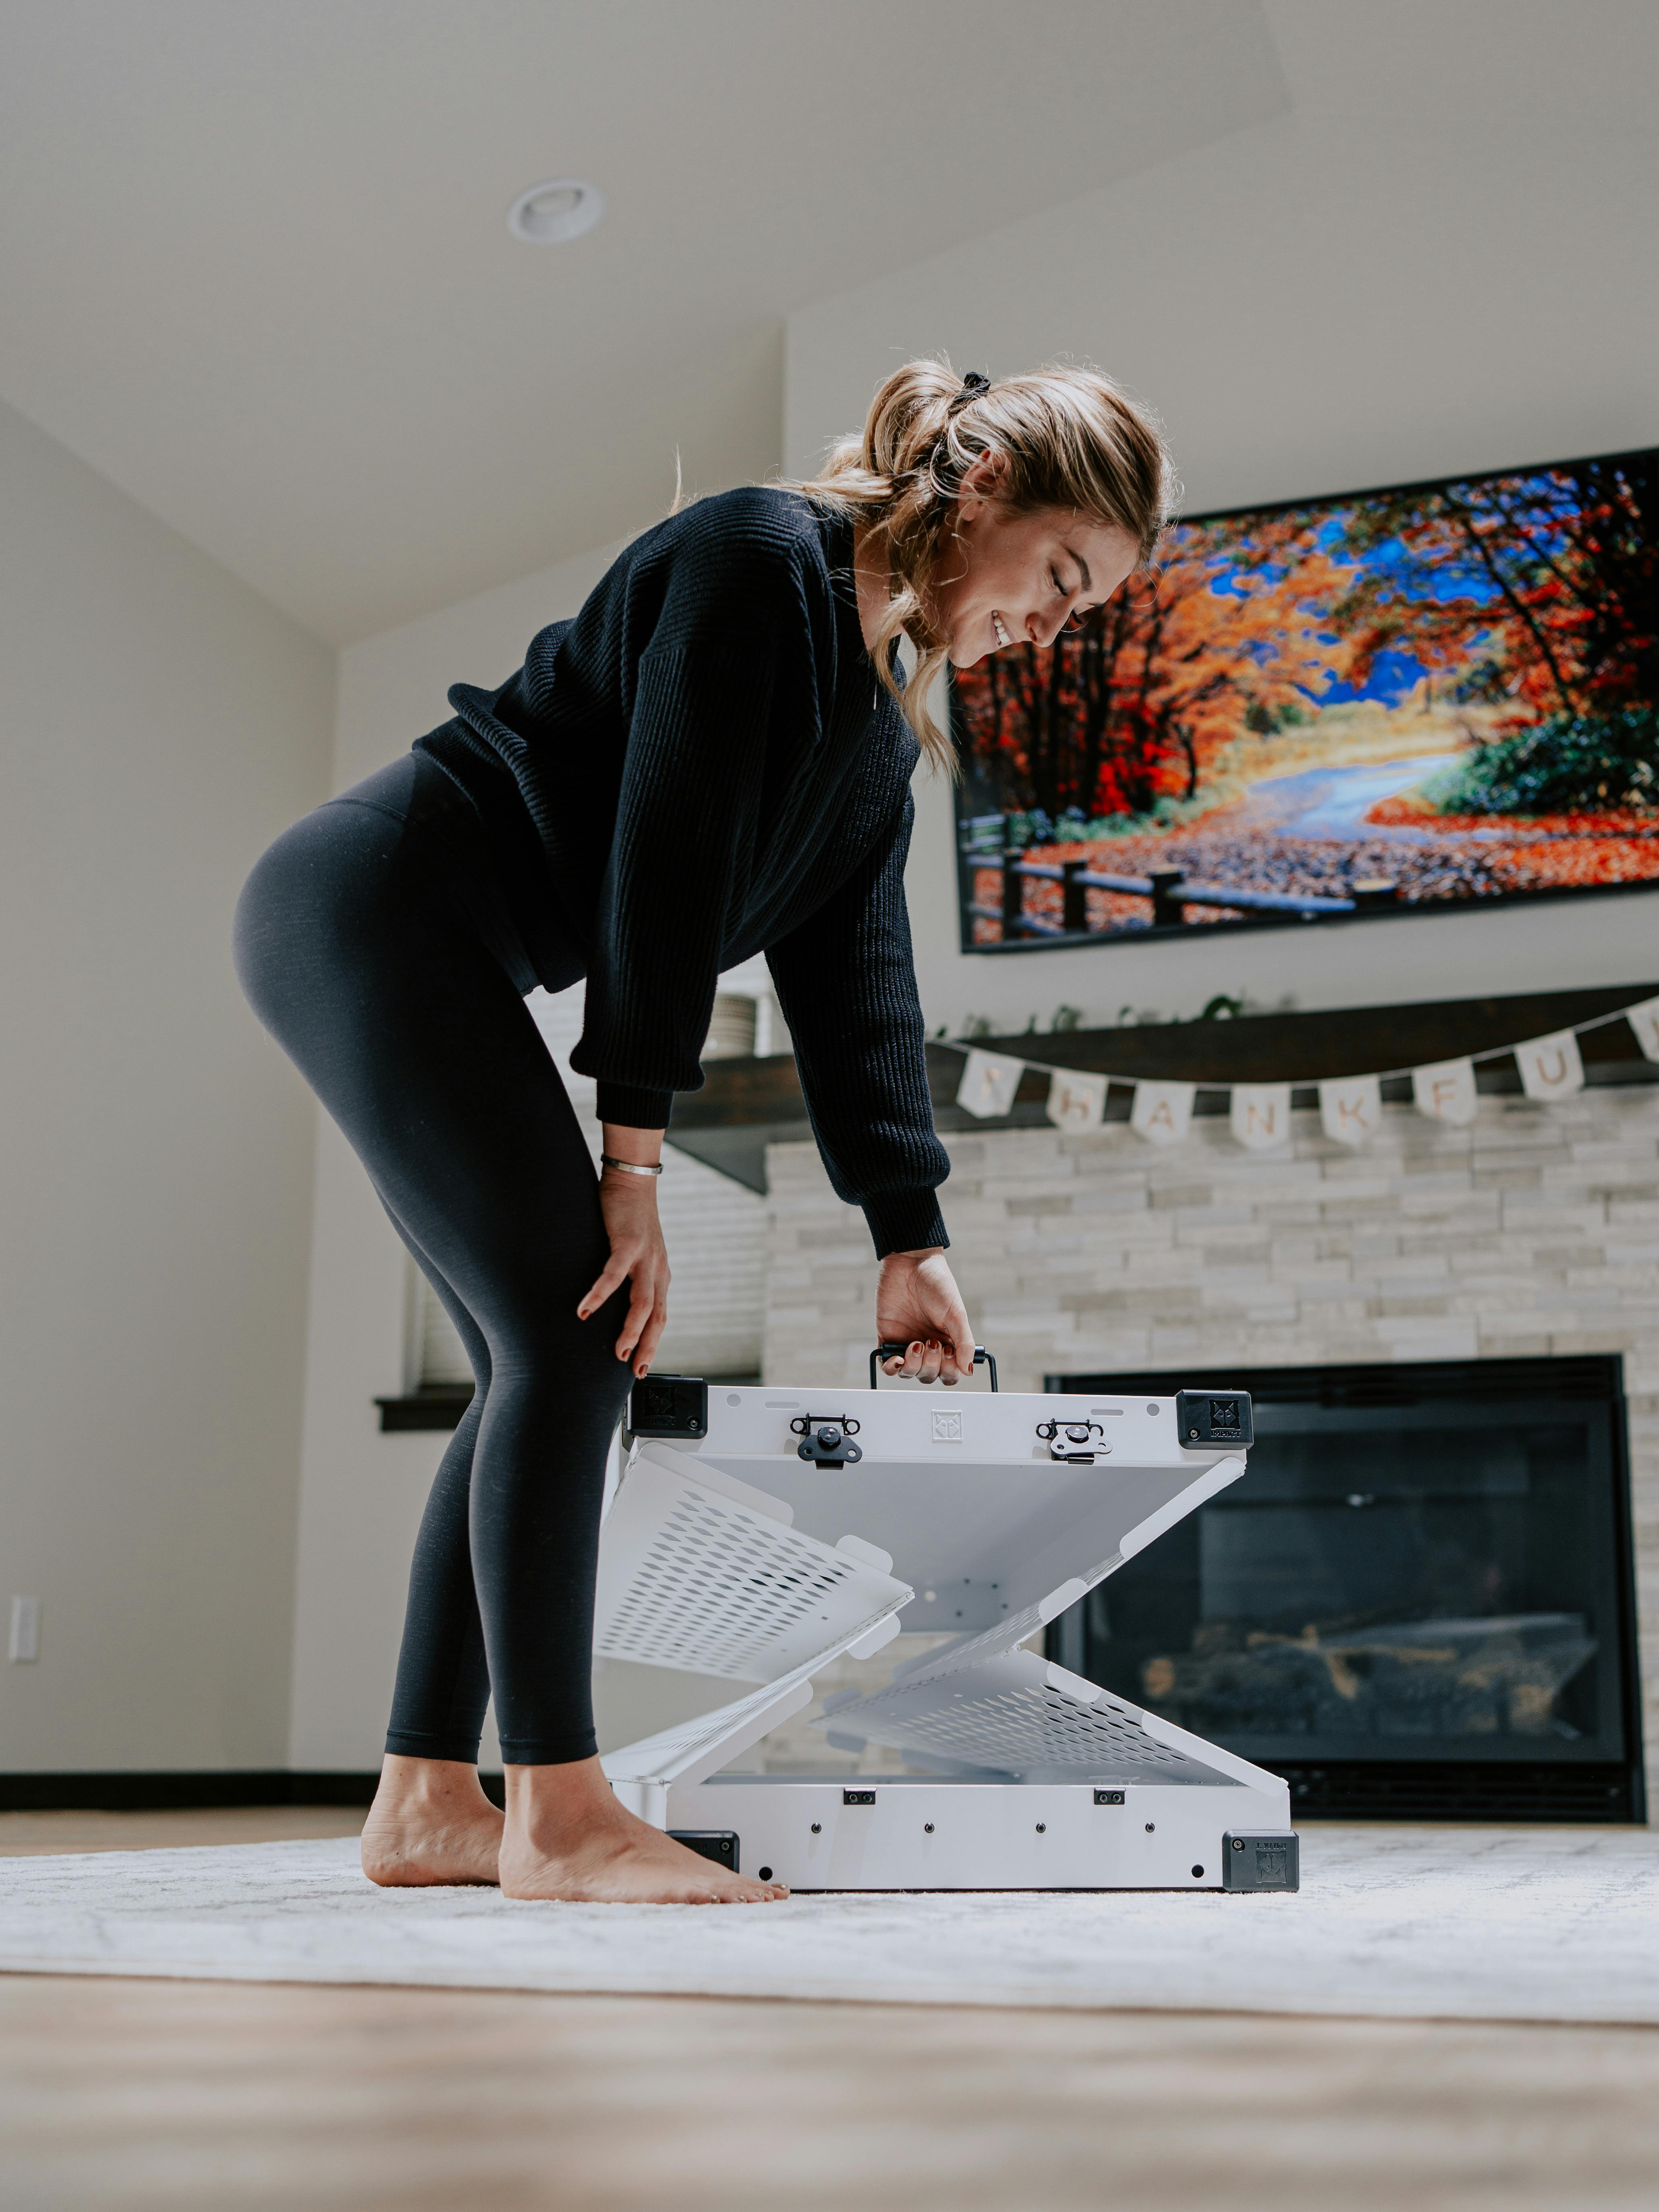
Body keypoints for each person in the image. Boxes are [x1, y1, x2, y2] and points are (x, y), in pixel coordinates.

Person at [234, 358, 1173, 1904]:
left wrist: (910, 1239)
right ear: (986, 485)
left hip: (428, 940)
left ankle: (424, 1799)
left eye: (1088, 609)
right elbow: (659, 872)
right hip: (369, 902)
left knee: (536, 1353)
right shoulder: (758, 559)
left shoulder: (877, 747)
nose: (1054, 628)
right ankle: (561, 1817)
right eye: (1063, 577)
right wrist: (634, 1167)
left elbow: (860, 995)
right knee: (572, 1334)